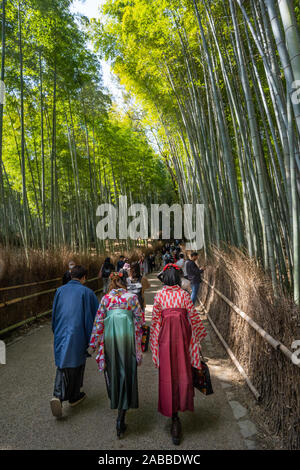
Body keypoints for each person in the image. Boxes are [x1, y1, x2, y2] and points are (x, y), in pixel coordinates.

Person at [150, 264, 207, 445]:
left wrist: (155, 348)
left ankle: (173, 416)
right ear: (178, 278)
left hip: (165, 340)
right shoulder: (183, 295)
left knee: (168, 374)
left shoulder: (159, 296)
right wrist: (197, 341)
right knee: (183, 372)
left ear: (165, 279)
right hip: (183, 339)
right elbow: (193, 318)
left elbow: (156, 323)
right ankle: (177, 416)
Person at [89, 272, 143, 438]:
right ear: (124, 282)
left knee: (114, 372)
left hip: (111, 338)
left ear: (111, 283)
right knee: (127, 371)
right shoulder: (131, 298)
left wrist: (94, 343)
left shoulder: (105, 299)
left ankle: (119, 410)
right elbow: (139, 320)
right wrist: (139, 342)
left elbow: (98, 322)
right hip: (127, 337)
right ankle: (122, 414)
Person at [50, 265, 99, 418]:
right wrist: (93, 340)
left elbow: (54, 314)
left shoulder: (60, 291)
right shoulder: (87, 293)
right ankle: (62, 395)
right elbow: (95, 318)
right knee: (76, 364)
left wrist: (55, 329)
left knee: (64, 363)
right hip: (78, 332)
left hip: (61, 331)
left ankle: (70, 395)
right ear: (84, 277)